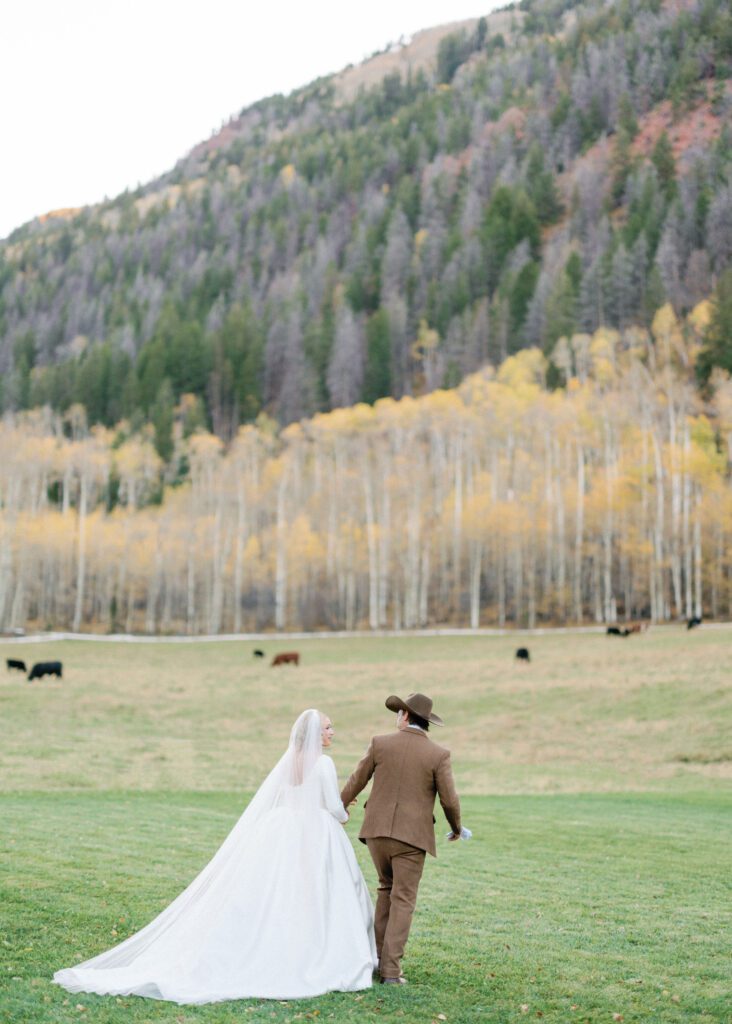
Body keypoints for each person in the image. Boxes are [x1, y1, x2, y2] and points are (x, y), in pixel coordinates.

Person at [54, 710, 376, 1004]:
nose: (333, 732)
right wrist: (344, 815)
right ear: (315, 734)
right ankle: (317, 952)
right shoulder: (323, 763)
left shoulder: (289, 760)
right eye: (328, 728)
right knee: (315, 891)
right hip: (314, 834)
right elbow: (333, 807)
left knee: (275, 892)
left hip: (281, 830)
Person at [340, 692, 468, 985]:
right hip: (411, 838)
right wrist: (456, 827)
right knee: (404, 899)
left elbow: (355, 781)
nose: (396, 718)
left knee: (386, 889)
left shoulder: (379, 743)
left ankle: (376, 959)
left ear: (407, 716)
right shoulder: (439, 754)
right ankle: (391, 971)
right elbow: (449, 800)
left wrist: (340, 806)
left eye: (398, 713)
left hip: (375, 832)